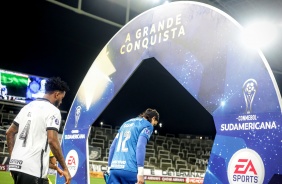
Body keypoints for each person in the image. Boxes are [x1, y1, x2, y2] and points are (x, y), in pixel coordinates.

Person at [6, 77, 71, 184]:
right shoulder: (53, 111)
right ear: (56, 94)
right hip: (33, 170)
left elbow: (9, 133)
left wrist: (13, 158)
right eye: (62, 98)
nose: (61, 102)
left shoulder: (27, 107)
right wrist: (65, 169)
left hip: (16, 167)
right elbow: (52, 140)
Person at [107, 108, 159, 184]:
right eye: (154, 123)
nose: (153, 125)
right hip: (130, 170)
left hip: (114, 169)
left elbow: (112, 147)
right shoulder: (148, 125)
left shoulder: (125, 123)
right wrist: (140, 172)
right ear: (153, 118)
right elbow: (140, 145)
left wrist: (109, 168)